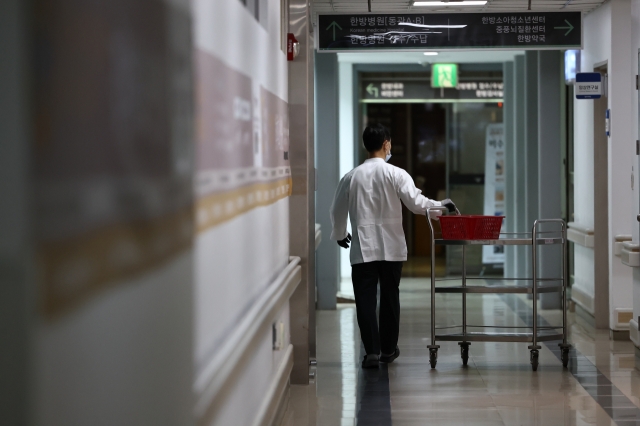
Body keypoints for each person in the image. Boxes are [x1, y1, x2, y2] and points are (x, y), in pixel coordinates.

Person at [330, 123, 456, 369]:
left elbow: (337, 210)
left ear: (366, 145)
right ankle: (388, 349)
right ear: (386, 143)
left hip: (362, 250)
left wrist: (339, 233)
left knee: (365, 300)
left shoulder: (351, 176)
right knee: (389, 298)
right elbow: (418, 203)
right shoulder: (396, 174)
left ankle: (372, 352)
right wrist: (442, 206)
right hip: (391, 248)